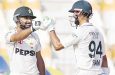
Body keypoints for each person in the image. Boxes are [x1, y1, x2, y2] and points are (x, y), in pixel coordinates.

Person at [47, 0, 109, 75]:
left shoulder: (81, 31)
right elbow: (104, 58)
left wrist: (50, 28)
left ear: (85, 13)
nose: (74, 14)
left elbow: (57, 46)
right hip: (100, 72)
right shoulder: (99, 32)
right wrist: (105, 73)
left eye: (76, 11)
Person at [5, 6, 53, 75]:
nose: (29, 21)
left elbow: (39, 59)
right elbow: (17, 37)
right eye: (26, 18)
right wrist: (32, 29)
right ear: (17, 19)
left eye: (31, 18)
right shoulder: (10, 33)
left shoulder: (35, 36)